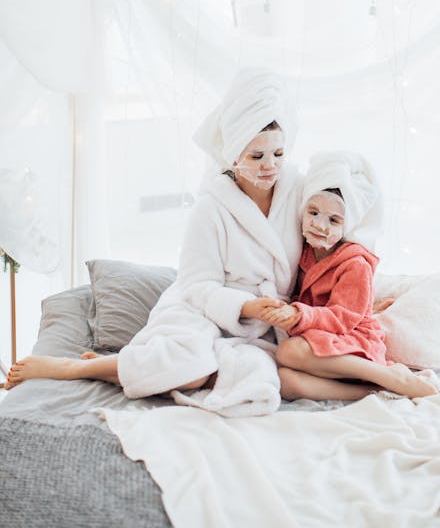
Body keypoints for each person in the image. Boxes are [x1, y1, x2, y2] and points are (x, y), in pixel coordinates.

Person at [6, 68, 304, 415]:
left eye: (278, 155)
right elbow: (196, 285)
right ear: (235, 155)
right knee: (189, 367)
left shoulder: (298, 195)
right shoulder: (211, 208)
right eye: (257, 156)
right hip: (204, 309)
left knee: (252, 375)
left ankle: (129, 365)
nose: (270, 166)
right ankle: (78, 368)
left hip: (268, 324)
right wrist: (244, 307)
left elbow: (334, 241)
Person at [260, 151, 440, 402]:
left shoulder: (355, 263)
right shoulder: (301, 253)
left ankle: (388, 376)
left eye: (334, 220)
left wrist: (299, 314)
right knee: (284, 382)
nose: (320, 225)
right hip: (320, 353)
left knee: (289, 352)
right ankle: (373, 391)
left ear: (347, 225)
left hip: (352, 344)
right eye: (313, 213)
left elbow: (343, 318)